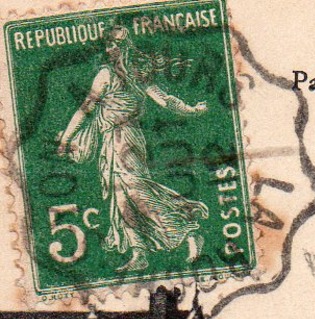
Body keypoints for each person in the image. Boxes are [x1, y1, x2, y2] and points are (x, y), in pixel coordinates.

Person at [55, 26, 210, 273]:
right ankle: (139, 253)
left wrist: (192, 110)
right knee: (121, 199)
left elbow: (165, 99)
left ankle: (188, 232)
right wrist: (66, 139)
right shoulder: (106, 74)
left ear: (125, 46)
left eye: (114, 44)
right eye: (107, 45)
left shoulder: (134, 75)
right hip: (111, 140)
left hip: (126, 138)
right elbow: (86, 110)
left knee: (137, 192)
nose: (109, 49)